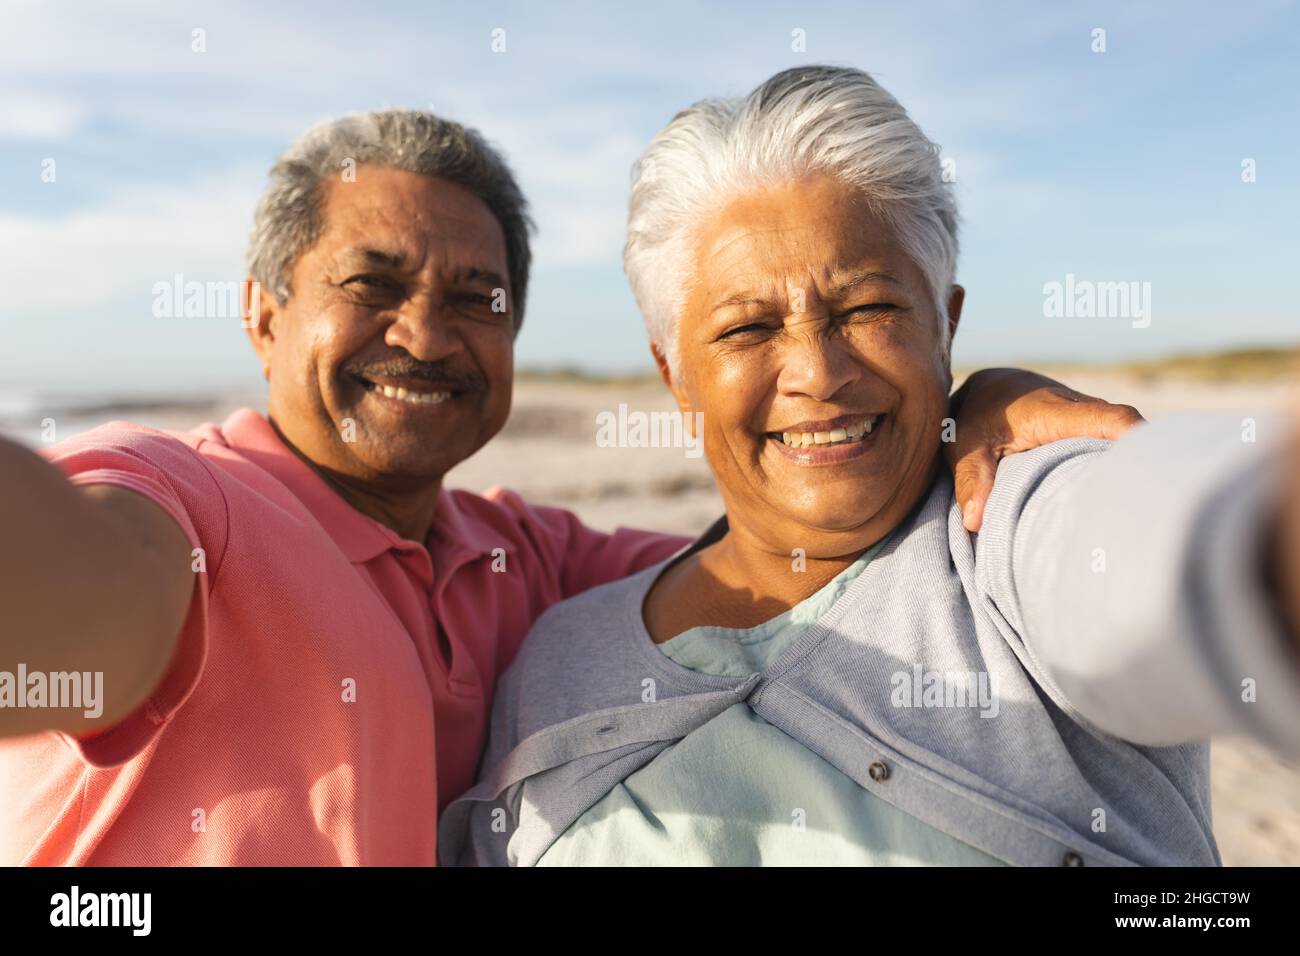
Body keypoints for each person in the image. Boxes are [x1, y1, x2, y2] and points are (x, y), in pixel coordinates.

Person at [0, 108, 1145, 865]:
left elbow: (797, 546)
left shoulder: (521, 563)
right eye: (372, 284)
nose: (424, 334)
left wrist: (960, 402)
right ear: (262, 312)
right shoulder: (180, 502)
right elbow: (74, 583)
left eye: (476, 297)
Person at [441, 66, 1300, 867]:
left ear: (945, 326)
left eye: (869, 308)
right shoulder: (555, 658)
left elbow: (1175, 552)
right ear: (675, 373)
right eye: (748, 327)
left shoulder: (1008, 532)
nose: (818, 373)